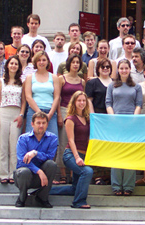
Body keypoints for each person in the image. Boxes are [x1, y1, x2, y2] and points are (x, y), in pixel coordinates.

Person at [49, 91, 93, 209]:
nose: (82, 103)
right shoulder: (70, 119)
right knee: (87, 172)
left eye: (84, 100)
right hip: (71, 155)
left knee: (75, 187)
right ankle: (79, 202)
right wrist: (77, 157)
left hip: (84, 155)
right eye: (79, 100)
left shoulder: (88, 119)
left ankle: (45, 191)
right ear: (74, 102)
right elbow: (71, 140)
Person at [106, 59, 143, 196]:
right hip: (116, 123)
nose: (123, 70)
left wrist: (134, 119)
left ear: (129, 69)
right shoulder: (112, 86)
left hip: (131, 124)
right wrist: (114, 118)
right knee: (116, 154)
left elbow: (139, 104)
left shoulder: (136, 87)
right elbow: (108, 103)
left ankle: (128, 186)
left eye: (126, 68)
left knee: (129, 154)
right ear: (118, 70)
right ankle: (116, 186)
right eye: (121, 68)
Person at [14, 111, 58, 208]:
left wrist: (36, 153)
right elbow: (22, 161)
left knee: (52, 164)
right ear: (32, 124)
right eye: (38, 123)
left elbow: (50, 157)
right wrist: (38, 171)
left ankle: (42, 197)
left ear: (47, 124)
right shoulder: (23, 138)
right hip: (24, 176)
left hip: (42, 177)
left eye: (43, 123)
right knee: (24, 171)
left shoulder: (52, 138)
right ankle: (22, 197)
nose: (41, 125)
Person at [0, 55, 26, 184]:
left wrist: (21, 115)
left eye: (16, 64)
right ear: (7, 65)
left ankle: (13, 173)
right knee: (3, 145)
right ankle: (3, 174)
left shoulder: (21, 82)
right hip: (3, 112)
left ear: (18, 67)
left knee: (14, 146)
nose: (13, 66)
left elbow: (23, 101)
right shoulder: (1, 81)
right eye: (11, 63)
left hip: (16, 113)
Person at [56, 54, 85, 185]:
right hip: (64, 110)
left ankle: (74, 172)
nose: (75, 65)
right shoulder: (61, 79)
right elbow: (57, 98)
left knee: (75, 142)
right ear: (69, 64)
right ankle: (63, 174)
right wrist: (59, 115)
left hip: (78, 113)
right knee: (63, 142)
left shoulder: (82, 81)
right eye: (73, 62)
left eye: (77, 63)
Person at [86, 58, 113, 185]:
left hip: (111, 118)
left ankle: (108, 174)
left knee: (109, 146)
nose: (106, 69)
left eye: (108, 66)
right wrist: (92, 116)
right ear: (98, 69)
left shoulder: (115, 83)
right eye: (103, 67)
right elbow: (89, 100)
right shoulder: (93, 83)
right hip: (97, 115)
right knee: (97, 145)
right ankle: (97, 175)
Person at [25, 51, 60, 137]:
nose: (41, 62)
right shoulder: (30, 77)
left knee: (52, 140)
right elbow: (28, 97)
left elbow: (57, 97)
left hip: (50, 112)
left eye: (44, 60)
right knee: (32, 140)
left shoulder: (54, 77)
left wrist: (50, 114)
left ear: (48, 61)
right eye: (39, 60)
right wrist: (39, 113)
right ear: (35, 62)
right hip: (34, 112)